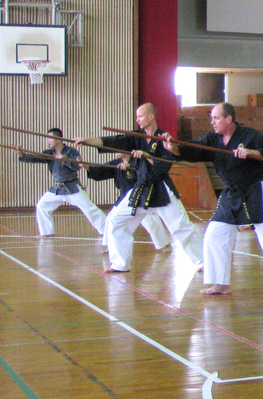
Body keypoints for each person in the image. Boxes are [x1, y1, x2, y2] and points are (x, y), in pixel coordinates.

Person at [166, 102, 263, 296]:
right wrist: (174, 148)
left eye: (216, 118)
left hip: (256, 190)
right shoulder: (213, 139)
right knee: (214, 236)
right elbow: (193, 150)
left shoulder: (250, 136)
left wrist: (253, 153)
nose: (212, 122)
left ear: (228, 118)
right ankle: (221, 284)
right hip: (231, 193)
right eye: (211, 118)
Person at [76, 103, 204, 273]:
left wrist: (147, 156)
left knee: (181, 226)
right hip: (140, 189)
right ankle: (120, 264)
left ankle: (202, 262)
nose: (137, 120)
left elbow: (163, 166)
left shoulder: (163, 138)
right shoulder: (136, 137)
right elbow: (112, 141)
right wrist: (88, 141)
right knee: (116, 221)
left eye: (140, 116)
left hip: (161, 189)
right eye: (137, 117)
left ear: (151, 116)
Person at [19, 128, 107, 237]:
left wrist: (65, 159)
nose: (48, 141)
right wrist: (21, 154)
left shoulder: (71, 151)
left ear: (59, 139)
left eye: (50, 138)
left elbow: (76, 166)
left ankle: (106, 230)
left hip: (72, 187)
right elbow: (35, 158)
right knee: (42, 206)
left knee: (89, 208)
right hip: (58, 188)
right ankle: (47, 233)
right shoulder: (49, 153)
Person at [86, 155, 172, 251]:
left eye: (119, 149)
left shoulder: (138, 162)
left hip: (140, 195)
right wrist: (86, 167)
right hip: (124, 197)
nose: (117, 153)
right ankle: (110, 245)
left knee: (150, 220)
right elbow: (100, 172)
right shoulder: (116, 163)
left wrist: (131, 168)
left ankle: (164, 244)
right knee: (111, 218)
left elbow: (147, 173)